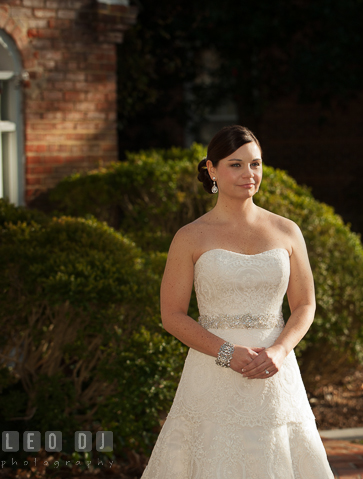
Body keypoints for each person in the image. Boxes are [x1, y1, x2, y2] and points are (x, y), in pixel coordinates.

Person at [140, 125, 334, 478]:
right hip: (211, 373)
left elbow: (305, 304)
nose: (249, 174)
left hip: (275, 373)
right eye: (236, 164)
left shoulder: (287, 231)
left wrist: (280, 350)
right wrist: (227, 353)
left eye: (256, 164)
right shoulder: (189, 237)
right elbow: (172, 315)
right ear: (212, 170)